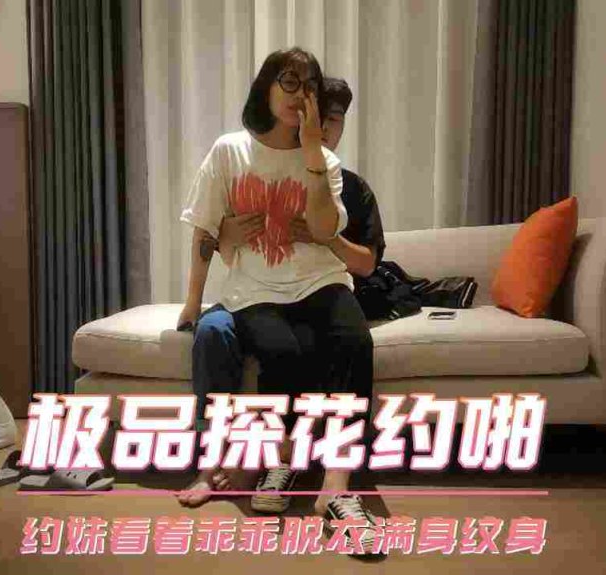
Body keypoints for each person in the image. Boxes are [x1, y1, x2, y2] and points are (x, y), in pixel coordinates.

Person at [176, 51, 383, 547]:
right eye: (289, 81)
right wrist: (192, 301)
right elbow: (205, 230)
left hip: (321, 281)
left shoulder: (325, 161)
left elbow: (324, 229)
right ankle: (277, 460)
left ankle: (335, 487)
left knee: (355, 341)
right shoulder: (229, 151)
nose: (299, 94)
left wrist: (311, 153)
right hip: (256, 288)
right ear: (266, 86)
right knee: (281, 349)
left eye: (309, 86)